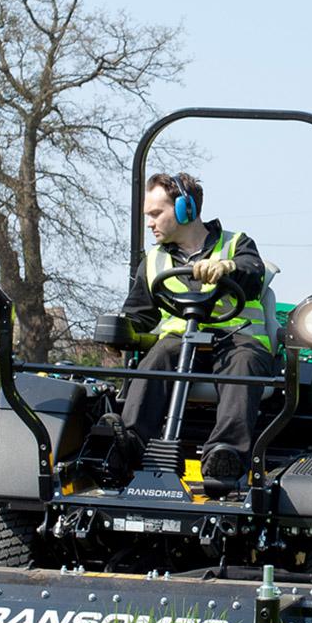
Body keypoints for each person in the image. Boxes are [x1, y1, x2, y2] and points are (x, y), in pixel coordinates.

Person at [107, 172, 274, 483]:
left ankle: (225, 453)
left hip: (236, 340)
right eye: (148, 215)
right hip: (181, 342)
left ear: (186, 209)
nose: (150, 223)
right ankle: (129, 442)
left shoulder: (236, 244)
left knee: (244, 362)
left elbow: (254, 275)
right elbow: (139, 314)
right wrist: (119, 332)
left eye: (156, 213)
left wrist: (229, 268)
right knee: (156, 359)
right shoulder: (154, 259)